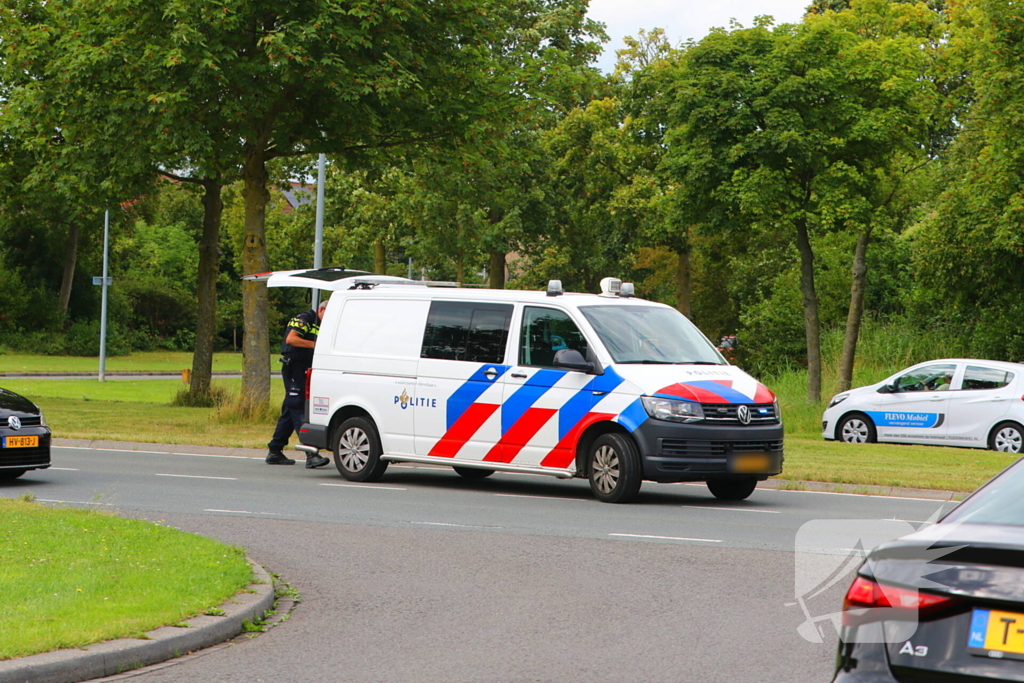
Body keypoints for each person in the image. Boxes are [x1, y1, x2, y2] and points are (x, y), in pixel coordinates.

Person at [266, 299, 331, 468]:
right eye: (329, 314)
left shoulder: (323, 322)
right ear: (321, 309)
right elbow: (291, 339)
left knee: (290, 409)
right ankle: (311, 454)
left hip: (305, 369)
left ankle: (275, 450)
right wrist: (317, 345)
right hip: (294, 367)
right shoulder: (305, 319)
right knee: (297, 405)